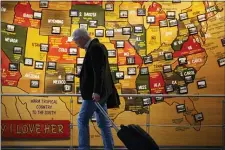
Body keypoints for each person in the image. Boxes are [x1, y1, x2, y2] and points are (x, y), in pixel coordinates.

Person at [72, 28, 120, 150]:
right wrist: (82, 74)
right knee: (103, 124)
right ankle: (109, 148)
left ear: (82, 38)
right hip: (100, 94)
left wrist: (96, 91)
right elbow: (95, 70)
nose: (77, 45)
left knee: (82, 120)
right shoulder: (96, 46)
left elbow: (99, 72)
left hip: (93, 95)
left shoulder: (95, 48)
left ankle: (83, 148)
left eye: (76, 42)